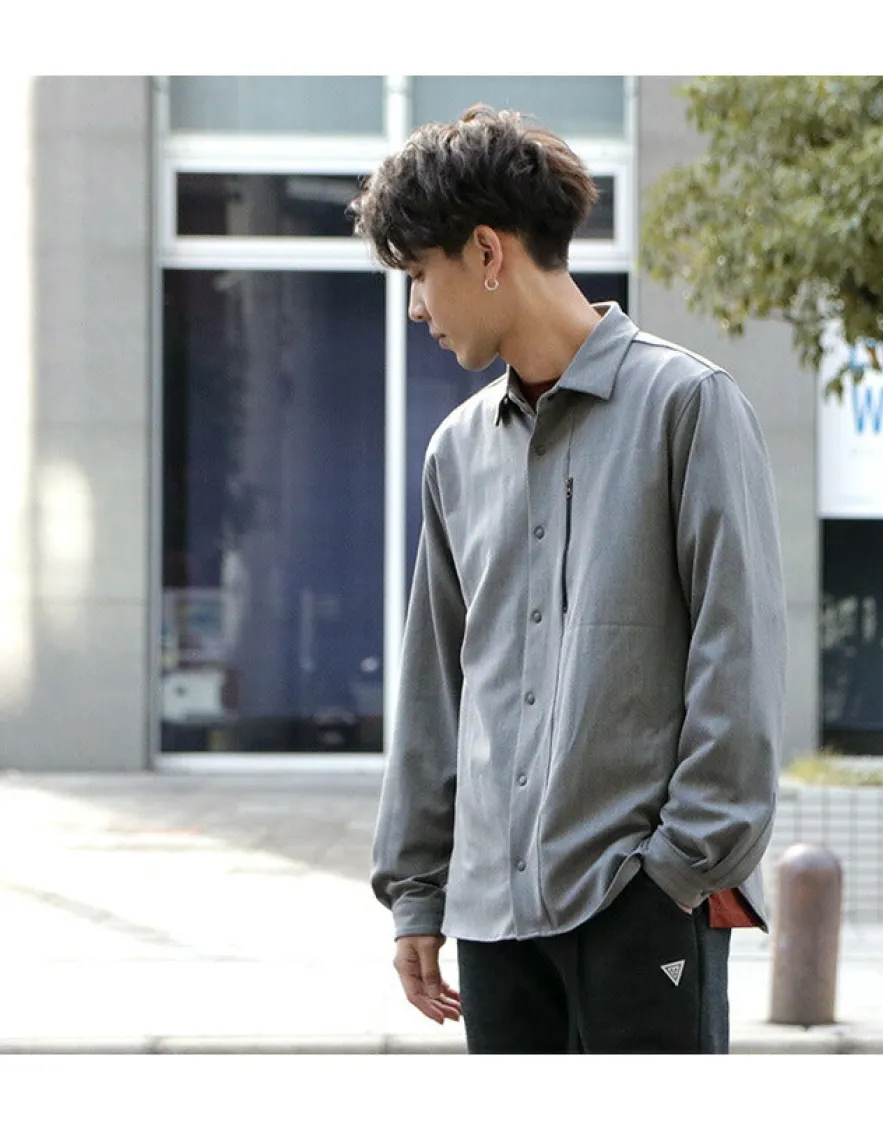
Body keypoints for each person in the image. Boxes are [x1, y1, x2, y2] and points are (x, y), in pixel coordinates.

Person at [349, 104, 787, 1055]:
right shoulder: (456, 451)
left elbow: (739, 660)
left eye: (419, 275)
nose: (417, 309)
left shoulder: (688, 408)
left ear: (487, 252)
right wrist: (418, 891)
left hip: (641, 907)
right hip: (491, 921)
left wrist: (676, 874)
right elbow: (436, 686)